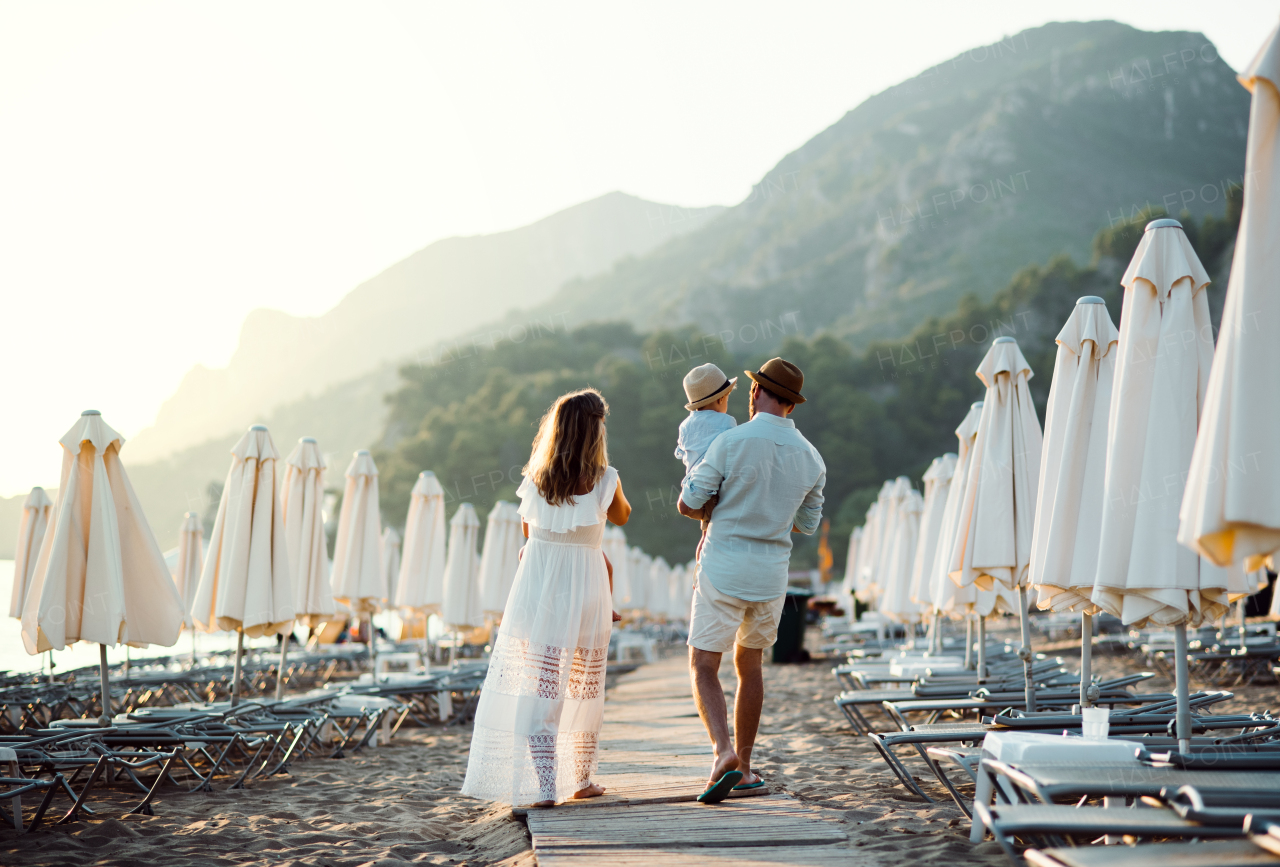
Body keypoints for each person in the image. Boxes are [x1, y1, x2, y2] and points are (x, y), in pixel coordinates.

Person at [461, 388, 631, 807]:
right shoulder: (606, 479)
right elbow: (622, 516)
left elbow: (528, 536)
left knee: (542, 687)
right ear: (596, 429)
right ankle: (581, 779)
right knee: (584, 686)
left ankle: (544, 786)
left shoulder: (534, 483)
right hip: (588, 589)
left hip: (540, 593)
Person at [677, 357, 825, 803]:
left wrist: (720, 503)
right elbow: (808, 524)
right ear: (792, 405)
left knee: (704, 665)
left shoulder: (729, 441)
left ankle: (723, 753)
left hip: (723, 567)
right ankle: (744, 768)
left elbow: (688, 502)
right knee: (751, 667)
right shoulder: (812, 458)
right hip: (770, 577)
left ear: (755, 392)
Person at [674, 363, 738, 560]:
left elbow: (681, 453)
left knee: (705, 533)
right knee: (715, 531)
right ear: (720, 399)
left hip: (692, 488)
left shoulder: (685, 425)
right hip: (716, 488)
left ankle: (698, 569)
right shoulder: (727, 422)